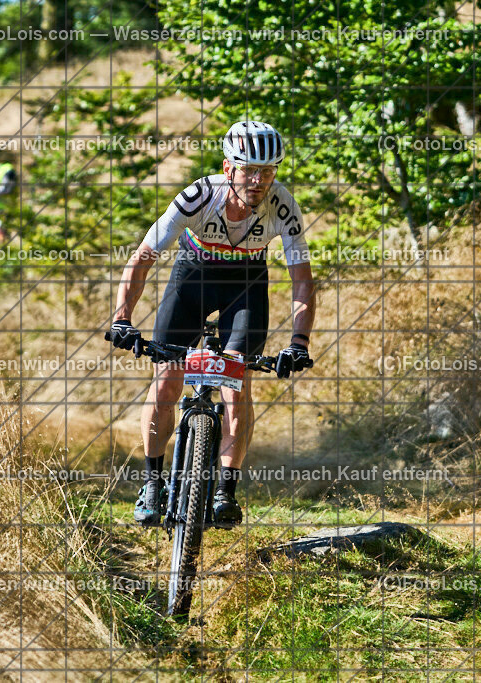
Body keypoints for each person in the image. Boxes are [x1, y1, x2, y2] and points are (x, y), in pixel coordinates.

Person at [108, 120, 316, 528]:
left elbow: (302, 279)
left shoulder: (283, 204)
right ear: (228, 168)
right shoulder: (198, 196)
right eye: (248, 170)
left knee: (235, 382)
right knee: (167, 377)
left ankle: (225, 490)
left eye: (268, 171)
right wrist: (122, 319)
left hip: (247, 286)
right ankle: (153, 482)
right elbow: (143, 257)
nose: (258, 180)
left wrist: (299, 341)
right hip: (193, 278)